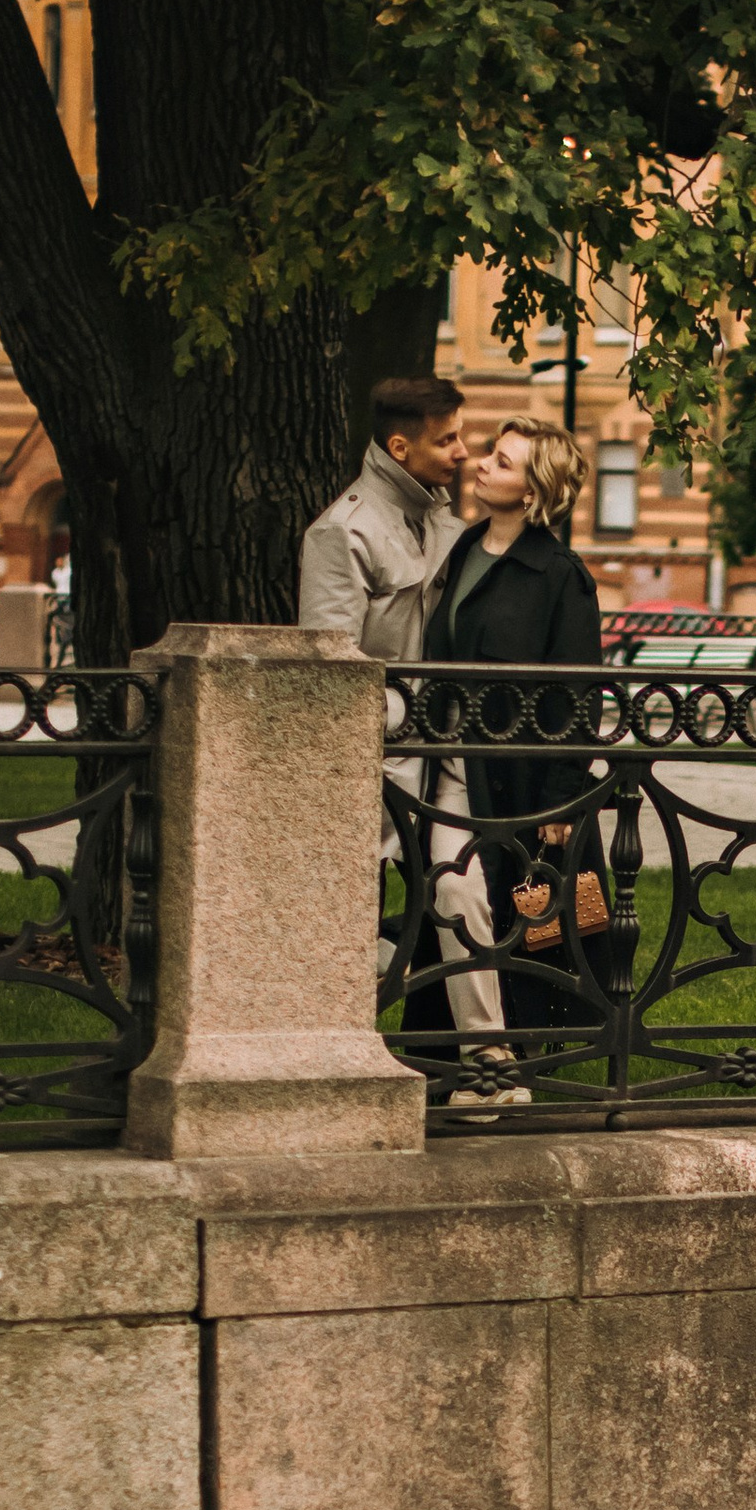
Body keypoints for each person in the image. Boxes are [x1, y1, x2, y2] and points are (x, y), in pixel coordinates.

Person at [298, 375, 522, 1108]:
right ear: (402, 446)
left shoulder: (448, 525)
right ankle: (325, 1065)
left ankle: (489, 1068)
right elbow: (329, 674)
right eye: (447, 439)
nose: (462, 451)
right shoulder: (343, 532)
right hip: (373, 761)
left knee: (462, 890)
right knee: (342, 917)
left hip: (446, 750)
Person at [429, 418, 607, 1060]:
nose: (480, 465)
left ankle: (515, 1056)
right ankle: (487, 1054)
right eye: (489, 454)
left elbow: (578, 699)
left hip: (522, 784)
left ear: (533, 493)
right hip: (449, 772)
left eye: (502, 463)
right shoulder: (458, 549)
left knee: (534, 920)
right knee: (455, 891)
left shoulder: (561, 575)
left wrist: (559, 807)